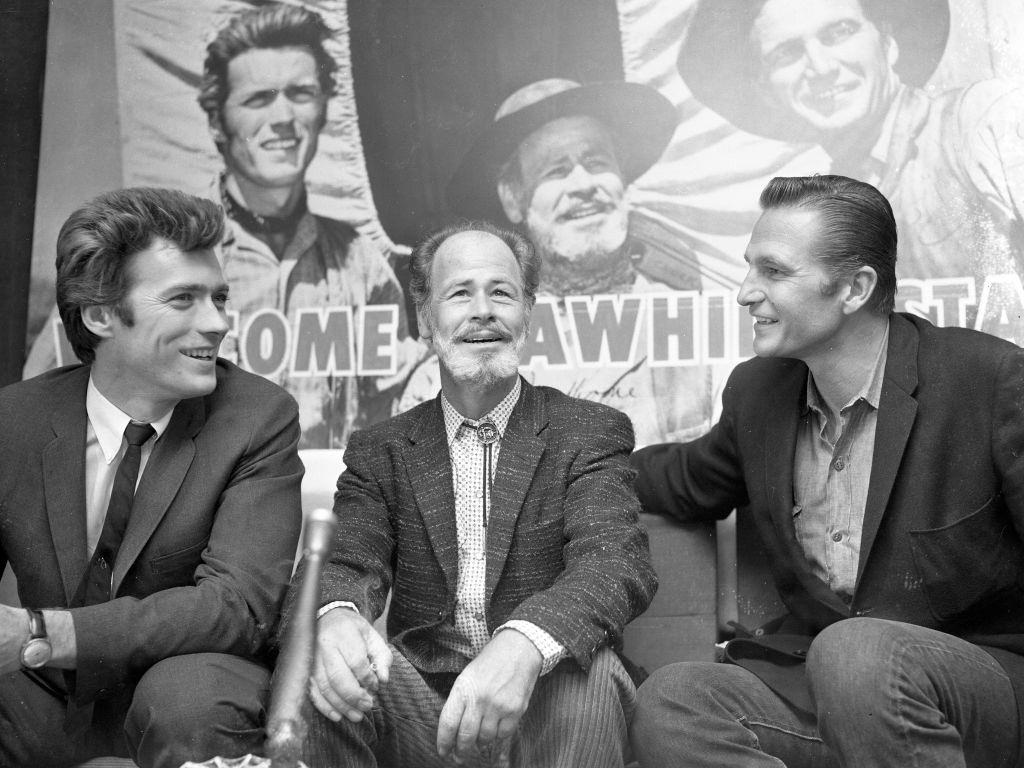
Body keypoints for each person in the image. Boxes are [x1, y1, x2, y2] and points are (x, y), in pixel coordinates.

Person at [628, 174, 1024, 767]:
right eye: (748, 268)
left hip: (981, 683)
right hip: (834, 685)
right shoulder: (758, 393)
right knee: (675, 700)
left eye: (774, 271)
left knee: (857, 653)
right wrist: (577, 464)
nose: (745, 292)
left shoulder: (991, 381)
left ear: (855, 288)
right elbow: (685, 477)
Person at [293, 220, 656, 767]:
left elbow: (612, 565)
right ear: (425, 318)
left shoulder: (588, 431)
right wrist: (336, 614)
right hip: (428, 712)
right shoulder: (382, 449)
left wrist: (524, 642)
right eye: (460, 293)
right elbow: (345, 561)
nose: (483, 310)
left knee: (592, 671)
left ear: (527, 313)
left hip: (550, 701)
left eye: (502, 293)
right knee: (327, 669)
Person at [0, 188, 304, 768]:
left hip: (179, 696)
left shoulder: (257, 417)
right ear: (100, 315)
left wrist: (45, 633)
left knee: (188, 697)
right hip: (45, 700)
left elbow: (236, 609)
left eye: (218, 298)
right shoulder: (14, 420)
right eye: (183, 299)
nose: (217, 323)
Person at [26, 2, 420, 449]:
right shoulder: (155, 256)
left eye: (301, 93)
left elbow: (400, 404)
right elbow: (49, 398)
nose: (284, 119)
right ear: (216, 121)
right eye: (259, 99)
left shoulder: (360, 262)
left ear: (325, 108)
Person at [676, 0, 1024, 330]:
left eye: (839, 33)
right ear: (765, 91)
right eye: (788, 54)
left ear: (888, 42)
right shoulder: (831, 205)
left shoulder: (982, 120)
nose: (822, 68)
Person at [439, 78, 717, 446]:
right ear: (513, 198)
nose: (583, 184)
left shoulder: (685, 321)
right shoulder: (478, 342)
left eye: (597, 161)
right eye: (556, 171)